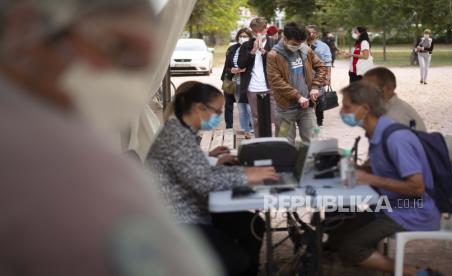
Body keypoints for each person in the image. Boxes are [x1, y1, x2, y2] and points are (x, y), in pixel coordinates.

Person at [0, 1, 222, 275]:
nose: (127, 80)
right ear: (28, 27)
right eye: (118, 49)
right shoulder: (57, 157)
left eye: (141, 66)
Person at [145, 81, 279, 276]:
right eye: (217, 112)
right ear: (200, 108)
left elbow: (200, 173)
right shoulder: (176, 137)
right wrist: (246, 175)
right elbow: (205, 182)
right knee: (236, 259)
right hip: (177, 221)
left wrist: (241, 173)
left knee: (253, 225)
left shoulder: (181, 131)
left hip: (193, 211)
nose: (218, 117)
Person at [328, 81, 440, 276]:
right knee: (339, 224)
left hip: (412, 209)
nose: (341, 111)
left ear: (364, 109)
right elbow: (388, 169)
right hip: (392, 204)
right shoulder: (377, 132)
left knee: (350, 246)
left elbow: (416, 188)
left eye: (346, 106)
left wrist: (369, 179)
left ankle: (416, 273)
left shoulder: (396, 138)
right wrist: (361, 169)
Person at [267, 22, 327, 144]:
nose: (298, 46)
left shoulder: (305, 49)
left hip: (307, 108)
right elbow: (276, 82)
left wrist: (315, 86)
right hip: (285, 109)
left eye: (300, 43)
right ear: (285, 37)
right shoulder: (273, 56)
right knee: (284, 144)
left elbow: (321, 66)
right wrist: (298, 97)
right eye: (295, 43)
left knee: (313, 142)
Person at [238, 17, 278, 137]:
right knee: (256, 119)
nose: (258, 34)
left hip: (271, 86)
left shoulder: (274, 44)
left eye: (260, 31)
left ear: (266, 29)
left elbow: (279, 63)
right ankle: (260, 143)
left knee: (276, 118)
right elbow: (240, 64)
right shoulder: (246, 45)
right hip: (253, 87)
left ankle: (278, 144)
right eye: (255, 31)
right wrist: (253, 51)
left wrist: (263, 51)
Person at [364, 67, 427, 131]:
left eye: (368, 88)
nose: (363, 92)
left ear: (388, 89)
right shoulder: (388, 109)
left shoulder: (395, 117)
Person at [221, 28, 254, 137]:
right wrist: (232, 70)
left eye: (245, 36)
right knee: (241, 108)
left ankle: (254, 128)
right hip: (235, 82)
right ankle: (246, 130)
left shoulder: (252, 48)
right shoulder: (232, 49)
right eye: (241, 36)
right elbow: (226, 67)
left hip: (248, 81)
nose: (243, 38)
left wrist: (244, 70)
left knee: (250, 108)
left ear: (250, 37)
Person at [307, 24, 333, 127]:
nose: (310, 34)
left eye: (312, 32)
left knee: (319, 97)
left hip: (319, 75)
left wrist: (328, 77)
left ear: (317, 34)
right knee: (305, 96)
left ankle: (319, 118)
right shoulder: (301, 44)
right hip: (304, 75)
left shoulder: (323, 46)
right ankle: (305, 119)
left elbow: (328, 62)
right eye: (308, 32)